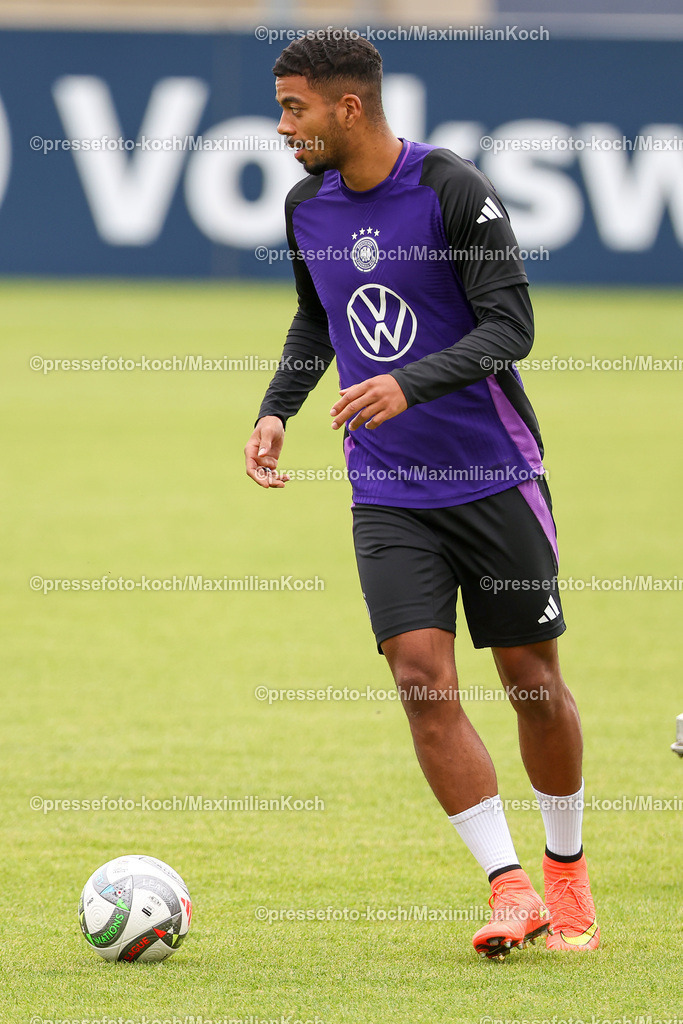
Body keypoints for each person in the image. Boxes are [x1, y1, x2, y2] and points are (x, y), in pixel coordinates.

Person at [244, 32, 599, 960]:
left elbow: (510, 325)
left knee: (530, 682)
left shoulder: (450, 189)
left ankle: (566, 875)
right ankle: (509, 886)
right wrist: (278, 408)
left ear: (346, 108)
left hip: (493, 477)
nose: (283, 126)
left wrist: (410, 381)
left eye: (294, 108)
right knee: (417, 676)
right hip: (386, 490)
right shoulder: (304, 205)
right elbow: (317, 315)